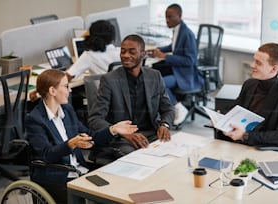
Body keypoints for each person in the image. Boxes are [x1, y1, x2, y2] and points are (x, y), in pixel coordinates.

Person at [25, 69, 138, 203]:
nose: (70, 90)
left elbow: (89, 136)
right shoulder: (35, 119)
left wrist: (113, 129)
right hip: (57, 174)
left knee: (118, 183)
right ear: (52, 91)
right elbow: (46, 155)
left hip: (79, 169)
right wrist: (71, 144)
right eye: (66, 86)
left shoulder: (66, 110)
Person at [88, 34, 175, 162]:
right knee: (140, 160)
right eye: (123, 51)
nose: (126, 55)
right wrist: (123, 132)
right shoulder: (109, 80)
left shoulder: (154, 76)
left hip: (150, 134)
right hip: (121, 139)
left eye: (132, 52)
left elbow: (168, 109)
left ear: (143, 54)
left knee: (172, 156)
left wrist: (165, 125)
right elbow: (94, 119)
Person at [217, 42, 278, 147]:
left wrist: (245, 136)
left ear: (274, 69)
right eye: (254, 60)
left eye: (258, 63)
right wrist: (220, 116)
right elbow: (235, 109)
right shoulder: (250, 84)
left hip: (261, 149)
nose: (252, 65)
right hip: (238, 144)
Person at [147, 3, 204, 126]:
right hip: (177, 70)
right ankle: (168, 107)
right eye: (166, 17)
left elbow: (190, 61)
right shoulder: (178, 30)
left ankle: (176, 107)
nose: (167, 20)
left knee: (160, 83)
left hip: (185, 74)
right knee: (155, 74)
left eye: (170, 17)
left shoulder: (187, 34)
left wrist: (165, 56)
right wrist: (158, 50)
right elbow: (173, 47)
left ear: (179, 16)